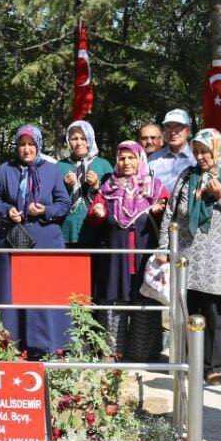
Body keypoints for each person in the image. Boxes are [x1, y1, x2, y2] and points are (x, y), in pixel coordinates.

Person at [159, 128, 221, 384]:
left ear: (218, 150)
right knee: (188, 309)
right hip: (188, 254)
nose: (201, 157)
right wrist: (163, 248)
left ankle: (213, 367)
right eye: (197, 151)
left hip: (218, 257)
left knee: (213, 312)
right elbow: (171, 213)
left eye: (206, 151)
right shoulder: (187, 176)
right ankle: (190, 361)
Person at [0, 125, 72, 357]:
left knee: (42, 292)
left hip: (44, 240)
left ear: (38, 146)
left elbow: (64, 204)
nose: (26, 149)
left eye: (31, 144)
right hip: (14, 239)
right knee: (12, 291)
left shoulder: (52, 171)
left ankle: (46, 345)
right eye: (22, 145)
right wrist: (8, 210)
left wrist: (44, 210)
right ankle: (10, 345)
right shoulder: (5, 170)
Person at [87, 141, 169, 360]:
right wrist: (98, 212)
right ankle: (112, 351)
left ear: (140, 159)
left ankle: (143, 353)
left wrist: (159, 211)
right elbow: (95, 218)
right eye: (122, 158)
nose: (126, 162)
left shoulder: (154, 187)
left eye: (131, 157)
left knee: (144, 302)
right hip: (115, 257)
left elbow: (168, 217)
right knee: (114, 302)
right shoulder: (108, 187)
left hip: (143, 257)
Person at [58, 120, 113, 247]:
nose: (79, 143)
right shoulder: (60, 166)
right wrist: (64, 186)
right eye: (74, 138)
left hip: (96, 229)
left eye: (83, 138)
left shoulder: (103, 165)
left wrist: (96, 186)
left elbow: (113, 196)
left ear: (90, 139)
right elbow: (51, 198)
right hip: (67, 229)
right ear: (68, 141)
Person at [147, 108, 196, 193]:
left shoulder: (197, 158)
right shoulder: (153, 160)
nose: (173, 132)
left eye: (178, 128)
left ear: (187, 131)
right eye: (168, 127)